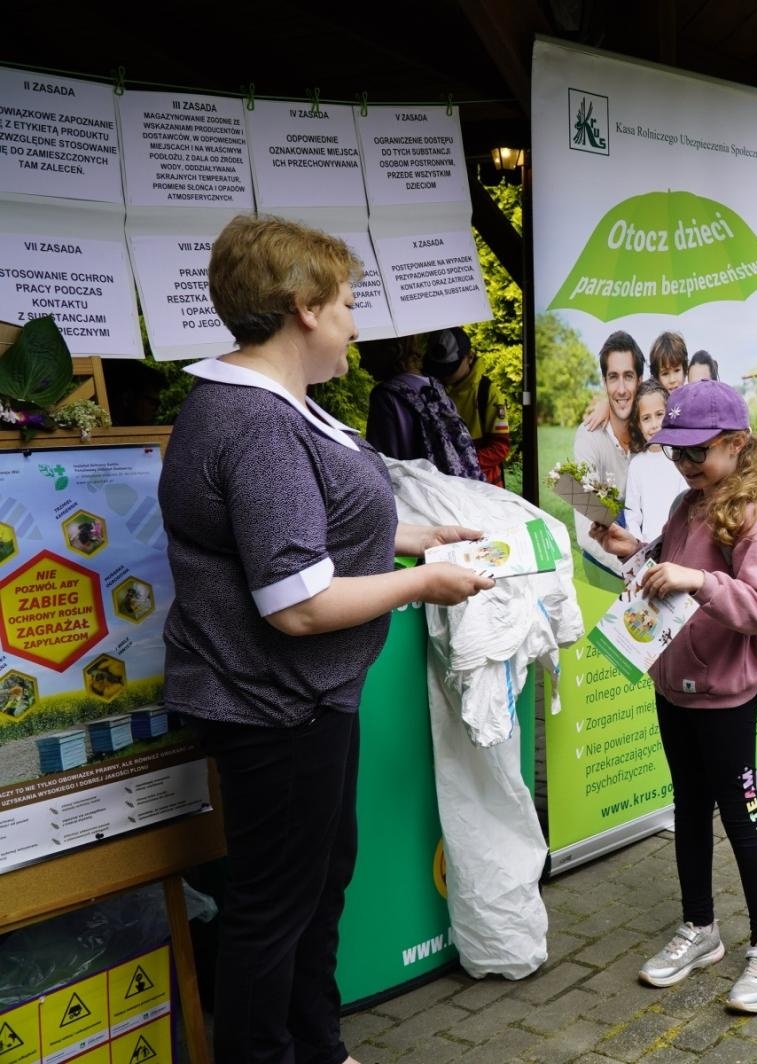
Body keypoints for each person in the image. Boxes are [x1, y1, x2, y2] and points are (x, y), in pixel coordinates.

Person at [159, 214, 492, 1064]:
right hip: (275, 708)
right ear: (304, 307)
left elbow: (313, 529)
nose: (355, 323)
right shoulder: (256, 422)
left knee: (315, 888)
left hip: (305, 702)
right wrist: (423, 582)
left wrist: (419, 538)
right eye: (347, 303)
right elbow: (298, 601)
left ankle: (317, 1043)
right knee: (275, 908)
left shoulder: (276, 407)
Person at [590, 379, 757, 1015]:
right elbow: (667, 570)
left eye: (697, 454)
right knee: (687, 809)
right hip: (673, 686)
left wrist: (702, 579)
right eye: (676, 455)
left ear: (737, 446)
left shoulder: (753, 515)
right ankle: (701, 929)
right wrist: (635, 552)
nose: (685, 466)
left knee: (740, 817)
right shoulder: (689, 504)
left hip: (725, 697)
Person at [363, 335, 484, 481]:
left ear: (392, 351)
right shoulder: (435, 387)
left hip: (414, 495)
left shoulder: (385, 396)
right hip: (451, 489)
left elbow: (382, 466)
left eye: (366, 353)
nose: (361, 364)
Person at [572, 331, 642, 576]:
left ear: (640, 381)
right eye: (613, 377)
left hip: (642, 548)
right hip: (605, 559)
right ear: (604, 382)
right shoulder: (588, 436)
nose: (621, 389)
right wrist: (635, 571)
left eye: (628, 377)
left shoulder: (651, 431)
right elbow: (584, 532)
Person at [424, 326, 513, 488]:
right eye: (439, 369)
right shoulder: (434, 389)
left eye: (451, 368)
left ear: (470, 358)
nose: (444, 374)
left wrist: (460, 462)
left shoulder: (488, 392)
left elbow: (500, 447)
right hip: (447, 485)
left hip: (484, 486)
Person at [622, 380, 688, 543]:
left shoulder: (680, 455)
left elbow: (685, 507)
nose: (654, 425)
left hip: (679, 544)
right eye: (646, 418)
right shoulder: (637, 465)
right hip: (649, 547)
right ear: (638, 423)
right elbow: (632, 514)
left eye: (659, 414)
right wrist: (638, 544)